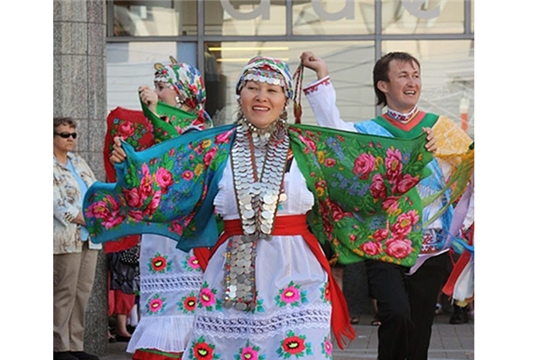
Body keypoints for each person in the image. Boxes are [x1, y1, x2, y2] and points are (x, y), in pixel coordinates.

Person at [84, 55, 437, 359]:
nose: (262, 97)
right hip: (233, 267)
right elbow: (171, 186)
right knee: (235, 347)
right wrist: (133, 171)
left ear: (285, 98)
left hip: (296, 268)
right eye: (253, 88)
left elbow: (366, 179)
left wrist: (417, 151)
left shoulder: (310, 148)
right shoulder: (215, 146)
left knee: (296, 347)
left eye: (272, 90)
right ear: (240, 94)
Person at [300, 50, 473, 360]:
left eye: (416, 75)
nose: (412, 82)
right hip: (383, 243)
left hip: (432, 248)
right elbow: (335, 132)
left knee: (419, 330)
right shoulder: (369, 133)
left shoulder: (444, 129)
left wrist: (443, 154)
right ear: (383, 85)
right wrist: (321, 74)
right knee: (395, 314)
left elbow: (470, 174)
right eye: (403, 75)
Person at [105, 57, 212, 360]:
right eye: (156, 86)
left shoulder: (199, 131)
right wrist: (125, 165)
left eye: (162, 86)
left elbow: (179, 167)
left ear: (183, 93)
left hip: (186, 241)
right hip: (158, 237)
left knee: (185, 314)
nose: (154, 92)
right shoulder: (153, 131)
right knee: (160, 312)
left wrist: (154, 117)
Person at [53, 117, 101, 360]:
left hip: (89, 236)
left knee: (83, 292)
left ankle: (75, 345)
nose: (70, 139)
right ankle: (58, 347)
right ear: (52, 138)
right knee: (64, 292)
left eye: (73, 134)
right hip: (66, 236)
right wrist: (82, 218)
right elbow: (55, 202)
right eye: (64, 135)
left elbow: (95, 189)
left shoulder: (78, 161)